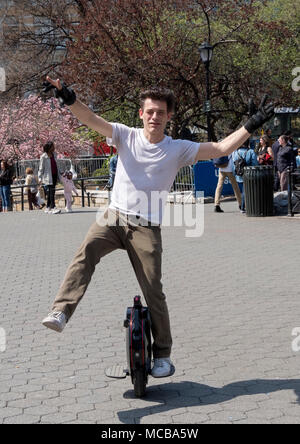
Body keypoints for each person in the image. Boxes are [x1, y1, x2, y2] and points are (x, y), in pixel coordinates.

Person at [41, 77, 274, 378]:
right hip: (114, 217)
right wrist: (67, 96)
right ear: (141, 114)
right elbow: (90, 118)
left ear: (168, 116)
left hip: (146, 228)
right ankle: (61, 311)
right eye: (149, 111)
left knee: (154, 290)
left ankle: (162, 354)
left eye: (160, 112)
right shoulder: (124, 135)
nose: (154, 117)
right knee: (85, 252)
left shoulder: (177, 149)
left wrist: (251, 124)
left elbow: (218, 148)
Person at [232, 140, 258, 213]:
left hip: (239, 175)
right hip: (249, 174)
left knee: (244, 190)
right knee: (245, 191)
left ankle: (243, 206)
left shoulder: (235, 152)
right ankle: (243, 207)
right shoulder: (251, 152)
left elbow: (234, 164)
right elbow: (255, 164)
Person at [38, 141, 61, 214]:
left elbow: (56, 165)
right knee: (51, 192)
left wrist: (60, 173)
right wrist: (40, 178)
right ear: (49, 147)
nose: (54, 148)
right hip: (48, 177)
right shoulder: (43, 156)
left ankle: (48, 207)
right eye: (53, 146)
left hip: (54, 175)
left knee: (52, 192)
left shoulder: (54, 155)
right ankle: (53, 207)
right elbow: (41, 168)